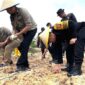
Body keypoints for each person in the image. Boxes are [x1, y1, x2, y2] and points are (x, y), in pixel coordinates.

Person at [0, 0, 37, 71]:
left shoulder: (23, 11)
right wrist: (13, 34)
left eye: (9, 9)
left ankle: (21, 66)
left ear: (14, 7)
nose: (8, 11)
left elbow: (29, 25)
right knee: (21, 47)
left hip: (31, 29)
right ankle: (25, 64)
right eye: (6, 10)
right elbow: (14, 28)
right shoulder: (11, 17)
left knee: (25, 45)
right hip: (21, 32)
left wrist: (18, 34)